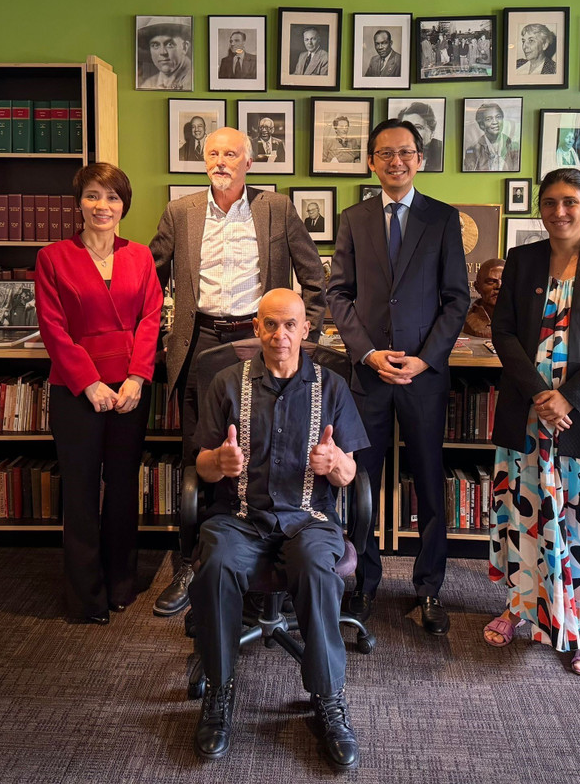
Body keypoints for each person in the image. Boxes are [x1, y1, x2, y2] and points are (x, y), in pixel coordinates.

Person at [189, 288, 369, 769]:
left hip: (310, 519)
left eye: (290, 324)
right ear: (256, 328)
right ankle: (219, 695)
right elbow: (200, 465)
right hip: (240, 517)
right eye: (270, 324)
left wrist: (335, 464)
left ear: (306, 329)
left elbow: (351, 473)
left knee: (315, 568)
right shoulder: (226, 383)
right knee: (217, 565)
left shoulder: (332, 387)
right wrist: (218, 461)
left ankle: (328, 702)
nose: (280, 334)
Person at [149, 127, 326, 617]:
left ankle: (259, 561)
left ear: (249, 163)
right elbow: (149, 274)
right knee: (200, 453)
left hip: (259, 341)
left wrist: (302, 340)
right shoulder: (180, 211)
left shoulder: (276, 209)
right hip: (199, 340)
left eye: (230, 153)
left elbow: (314, 277)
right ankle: (192, 562)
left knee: (261, 450)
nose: (220, 161)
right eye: (212, 153)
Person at [485, 169, 580, 676]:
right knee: (528, 513)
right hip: (527, 413)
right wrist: (539, 394)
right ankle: (522, 607)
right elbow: (502, 332)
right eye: (549, 203)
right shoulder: (522, 260)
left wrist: (567, 399)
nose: (559, 212)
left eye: (570, 202)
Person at [327, 119, 470, 635]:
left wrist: (425, 358)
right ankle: (363, 584)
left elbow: (458, 299)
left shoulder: (443, 219)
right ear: (371, 161)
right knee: (359, 484)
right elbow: (337, 295)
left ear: (420, 158)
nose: (396, 161)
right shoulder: (354, 218)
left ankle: (429, 588)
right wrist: (365, 354)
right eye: (385, 153)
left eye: (405, 152)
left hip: (422, 378)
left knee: (431, 484)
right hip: (366, 378)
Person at [35, 163, 162, 623]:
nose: (102, 206)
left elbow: (151, 319)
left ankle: (121, 584)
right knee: (82, 491)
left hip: (130, 389)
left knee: (125, 487)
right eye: (92, 196)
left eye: (111, 197)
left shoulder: (141, 256)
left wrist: (136, 377)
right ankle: (86, 596)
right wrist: (88, 382)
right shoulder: (53, 257)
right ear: (79, 203)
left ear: (124, 204)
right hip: (75, 389)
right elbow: (52, 327)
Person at [139, 17, 193, 90]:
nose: (163, 52)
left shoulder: (195, 79)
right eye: (155, 45)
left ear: (184, 47)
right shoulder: (149, 84)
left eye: (170, 44)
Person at [463, 102, 519, 172]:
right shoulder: (473, 150)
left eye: (498, 117)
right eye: (489, 119)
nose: (495, 122)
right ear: (481, 125)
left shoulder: (513, 147)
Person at [462, 258, 504, 339]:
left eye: (505, 281)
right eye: (491, 281)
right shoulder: (471, 322)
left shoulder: (521, 320)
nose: (499, 286)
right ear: (477, 287)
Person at [397, 102, 443, 171]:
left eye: (418, 127)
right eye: (406, 128)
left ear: (432, 133)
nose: (411, 133)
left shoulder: (441, 153)